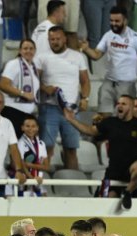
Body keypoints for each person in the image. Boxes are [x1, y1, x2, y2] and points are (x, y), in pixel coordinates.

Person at [80, 6, 137, 117]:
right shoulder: (108, 35)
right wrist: (86, 49)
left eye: (117, 21)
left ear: (125, 20)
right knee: (103, 117)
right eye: (111, 20)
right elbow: (96, 55)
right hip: (109, 81)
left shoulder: (135, 38)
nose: (113, 23)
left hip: (127, 84)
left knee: (125, 118)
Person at [38, 26, 90, 170]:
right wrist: (45, 88)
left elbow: (85, 81)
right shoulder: (42, 57)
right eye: (51, 39)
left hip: (71, 109)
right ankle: (43, 184)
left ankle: (72, 184)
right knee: (46, 149)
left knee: (71, 148)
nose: (55, 42)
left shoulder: (77, 56)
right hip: (49, 107)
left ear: (65, 38)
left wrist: (85, 98)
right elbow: (35, 80)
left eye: (57, 39)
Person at [0, 39, 40, 137]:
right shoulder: (14, 64)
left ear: (35, 51)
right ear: (20, 51)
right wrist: (23, 94)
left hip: (26, 114)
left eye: (31, 48)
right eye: (25, 48)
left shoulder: (33, 68)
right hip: (13, 111)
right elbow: (3, 85)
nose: (28, 51)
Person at [12, 116, 50, 197]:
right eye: (27, 126)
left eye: (33, 126)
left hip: (37, 180)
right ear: (22, 128)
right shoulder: (20, 143)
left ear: (37, 128)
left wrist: (30, 165)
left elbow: (47, 167)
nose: (30, 129)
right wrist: (32, 178)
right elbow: (21, 164)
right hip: (24, 182)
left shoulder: (41, 144)